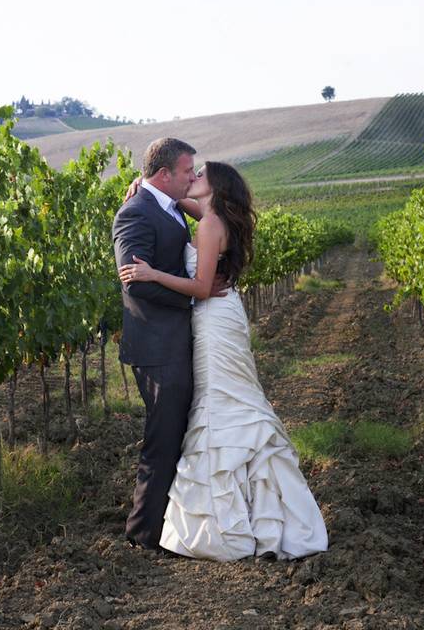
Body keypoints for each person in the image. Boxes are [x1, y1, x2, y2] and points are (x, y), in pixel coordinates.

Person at [118, 161, 328, 561]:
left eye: (200, 176)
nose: (192, 178)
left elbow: (200, 288)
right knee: (230, 401)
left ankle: (222, 523)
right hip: (219, 315)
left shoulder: (211, 224)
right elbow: (173, 198)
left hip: (213, 317)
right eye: (189, 172)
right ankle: (250, 512)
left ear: (215, 187)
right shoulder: (211, 213)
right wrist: (143, 184)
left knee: (220, 401)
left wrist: (151, 273)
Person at [112, 137, 208, 551]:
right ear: (165, 174)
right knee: (162, 437)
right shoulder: (135, 212)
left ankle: (166, 526)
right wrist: (192, 296)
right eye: (188, 171)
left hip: (173, 341)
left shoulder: (166, 204)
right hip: (156, 346)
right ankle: (143, 534)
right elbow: (135, 281)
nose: (193, 177)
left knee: (174, 434)